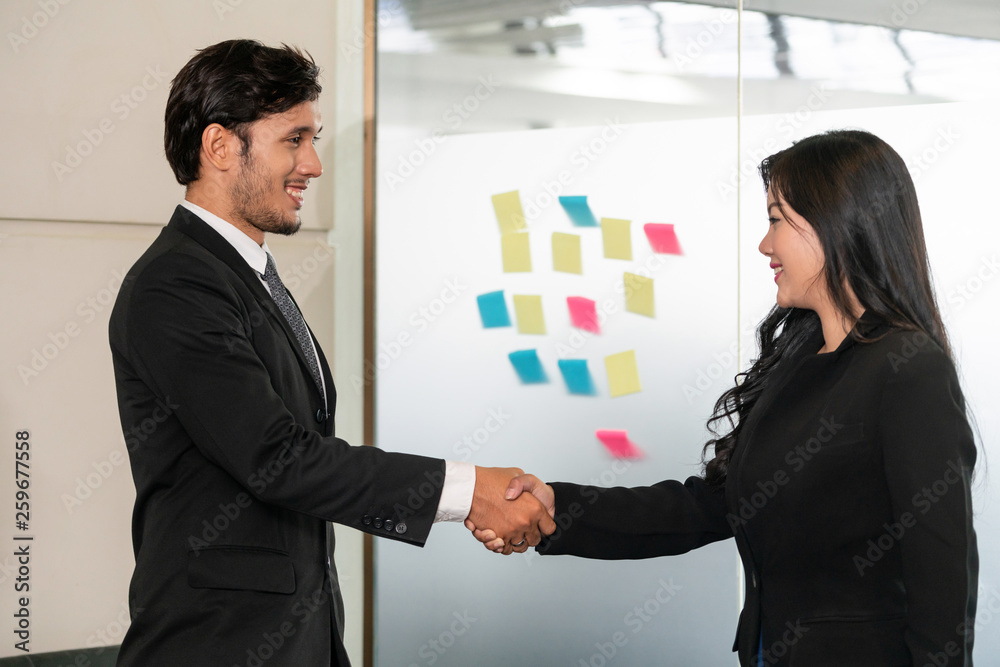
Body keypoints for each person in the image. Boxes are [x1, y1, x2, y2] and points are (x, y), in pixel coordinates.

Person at [108, 39, 554, 666]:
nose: (313, 164)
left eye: (311, 139)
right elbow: (277, 458)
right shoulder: (176, 285)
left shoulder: (244, 276)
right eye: (293, 139)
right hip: (216, 645)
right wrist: (468, 491)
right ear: (218, 147)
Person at [469, 130, 978, 666]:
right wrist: (555, 507)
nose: (765, 244)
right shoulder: (795, 364)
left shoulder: (907, 368)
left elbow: (942, 581)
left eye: (777, 219)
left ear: (837, 222)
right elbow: (706, 507)